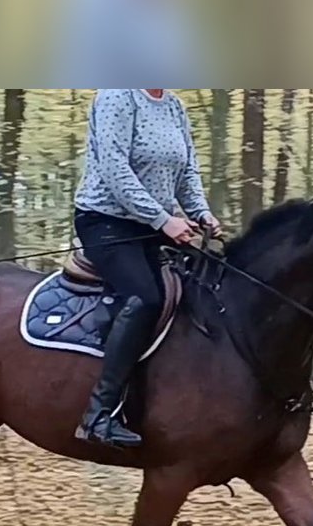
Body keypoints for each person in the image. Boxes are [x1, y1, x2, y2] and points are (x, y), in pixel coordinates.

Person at [72, 88, 221, 448]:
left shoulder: (173, 106)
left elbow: (187, 170)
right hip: (106, 222)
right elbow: (114, 168)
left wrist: (200, 210)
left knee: (209, 285)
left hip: (155, 225)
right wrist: (163, 219)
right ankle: (98, 415)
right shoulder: (117, 97)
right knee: (145, 296)